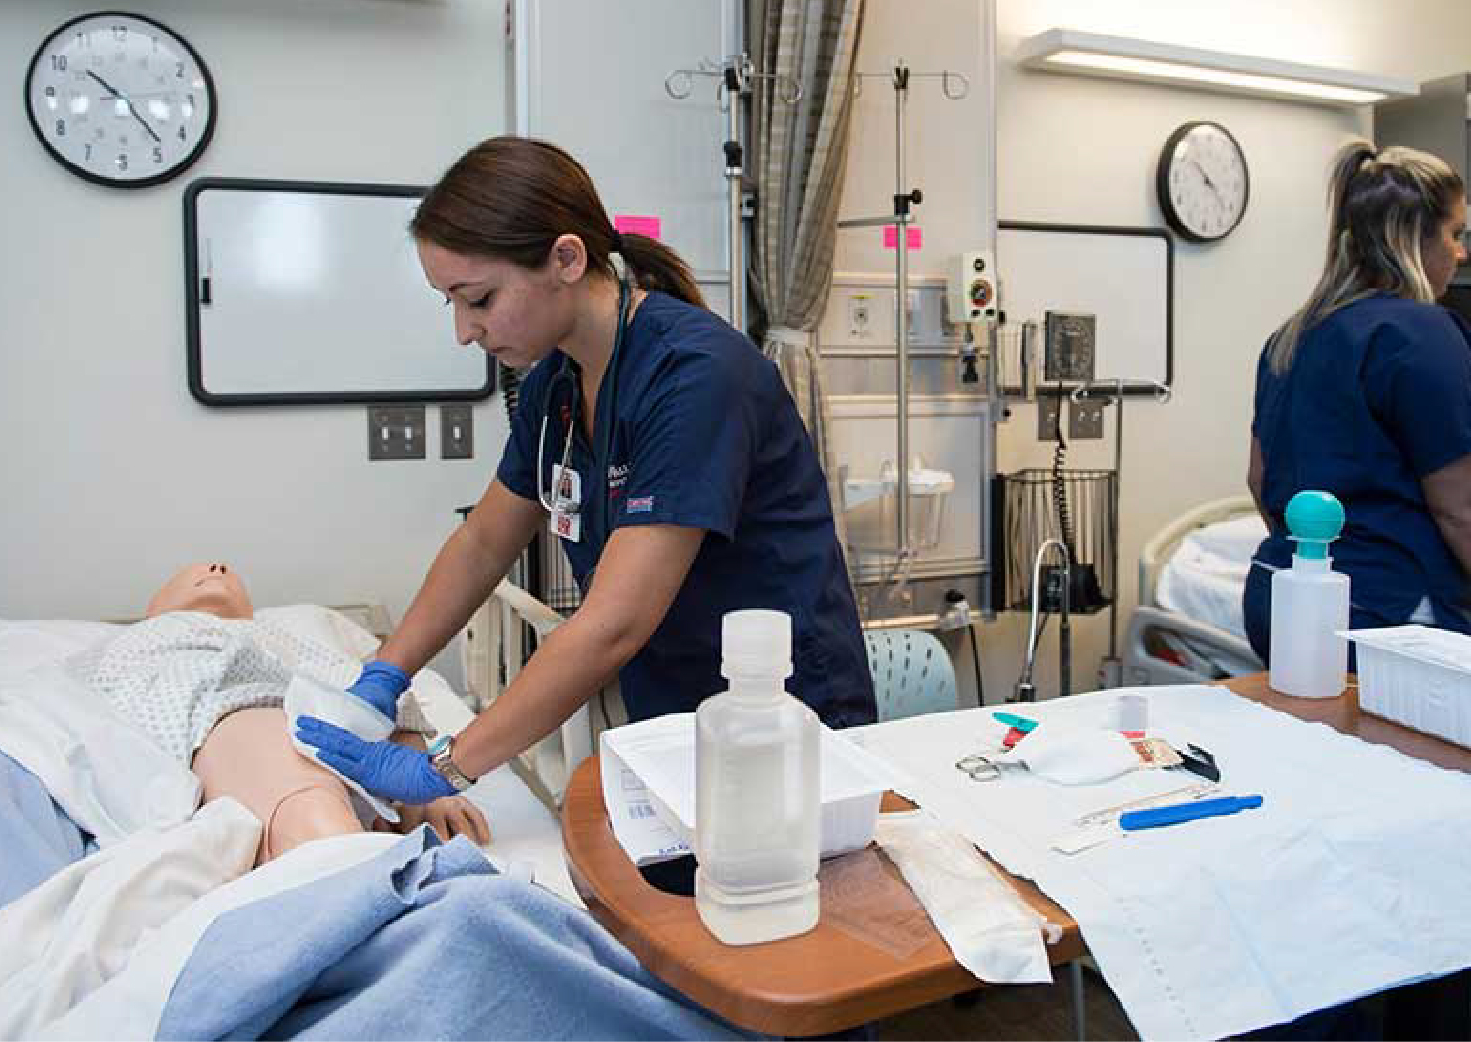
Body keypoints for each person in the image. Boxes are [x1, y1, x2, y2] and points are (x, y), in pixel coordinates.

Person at [296, 136, 875, 809]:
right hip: (673, 709)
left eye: (478, 299)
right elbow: (482, 544)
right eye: (448, 302)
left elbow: (612, 623)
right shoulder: (555, 389)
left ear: (566, 259)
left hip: (786, 716)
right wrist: (385, 672)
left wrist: (446, 769)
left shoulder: (695, 378)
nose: (462, 331)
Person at [1242, 142, 1471, 664]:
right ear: (1411, 238)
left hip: (1278, 595)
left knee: (1317, 742)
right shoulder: (1423, 334)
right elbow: (1465, 508)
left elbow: (1260, 478)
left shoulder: (1292, 337)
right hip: (1382, 615)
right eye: (1455, 234)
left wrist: (1317, 569)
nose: (1462, 253)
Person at [71, 562, 487, 861]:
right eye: (193, 572)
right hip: (218, 728)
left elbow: (379, 700)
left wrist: (425, 780)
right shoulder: (134, 643)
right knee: (308, 815)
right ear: (152, 609)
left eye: (228, 573)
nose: (217, 567)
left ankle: (339, 861)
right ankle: (330, 851)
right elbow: (64, 718)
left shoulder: (283, 639)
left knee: (317, 818)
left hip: (310, 740)